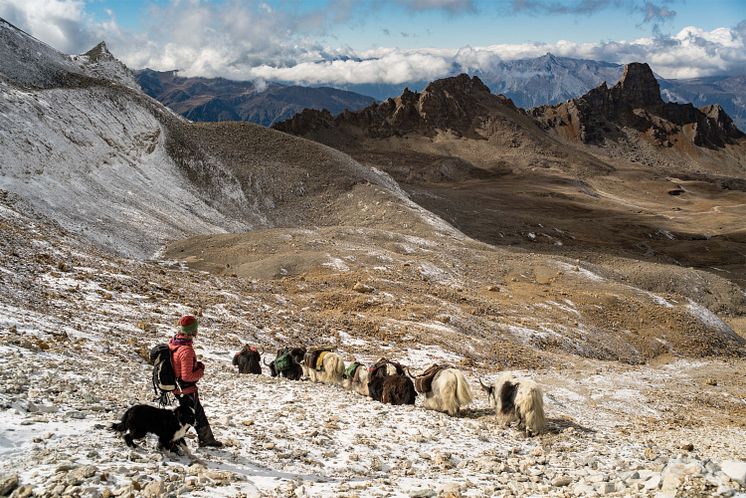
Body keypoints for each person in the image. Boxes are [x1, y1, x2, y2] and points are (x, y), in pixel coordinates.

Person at [169, 314, 223, 448]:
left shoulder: (174, 343)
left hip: (180, 388)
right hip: (186, 389)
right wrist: (200, 370)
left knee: (198, 413)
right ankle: (170, 442)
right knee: (188, 417)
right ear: (192, 330)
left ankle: (207, 439)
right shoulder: (186, 350)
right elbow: (187, 376)